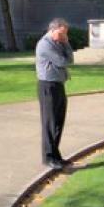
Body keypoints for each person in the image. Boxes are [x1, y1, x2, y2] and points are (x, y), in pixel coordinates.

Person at [35, 18, 74, 171]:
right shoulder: (45, 45)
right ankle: (48, 157)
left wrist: (65, 42)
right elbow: (62, 62)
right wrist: (64, 44)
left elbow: (70, 59)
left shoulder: (59, 43)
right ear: (52, 30)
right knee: (49, 123)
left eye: (65, 34)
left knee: (58, 121)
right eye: (61, 34)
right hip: (47, 86)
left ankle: (56, 155)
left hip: (58, 85)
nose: (63, 37)